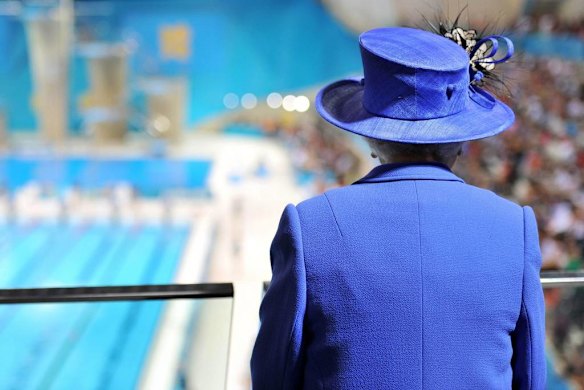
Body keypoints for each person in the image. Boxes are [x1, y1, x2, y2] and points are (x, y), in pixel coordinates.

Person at [251, 26, 546, 389]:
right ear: (460, 139)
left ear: (370, 137)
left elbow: (273, 375)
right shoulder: (514, 228)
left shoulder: (309, 226)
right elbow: (531, 376)